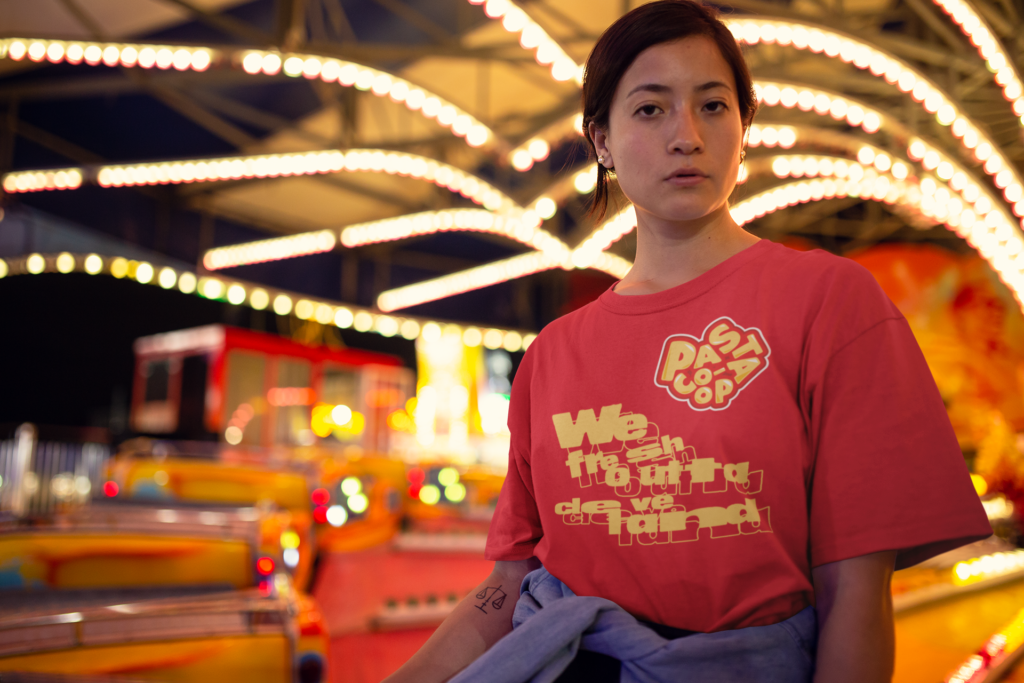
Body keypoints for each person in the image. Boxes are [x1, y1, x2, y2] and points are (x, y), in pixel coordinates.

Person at [383, 2, 992, 681]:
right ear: (602, 141)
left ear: (743, 127)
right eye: (650, 109)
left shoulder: (828, 302)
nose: (687, 135)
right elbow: (506, 589)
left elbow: (856, 591)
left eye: (712, 105)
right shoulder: (553, 354)